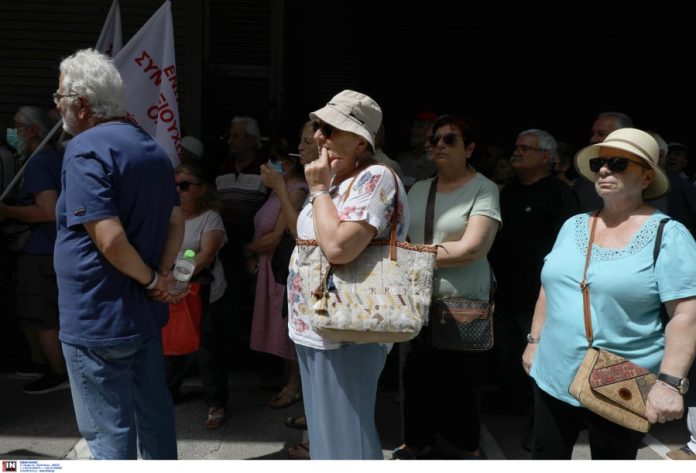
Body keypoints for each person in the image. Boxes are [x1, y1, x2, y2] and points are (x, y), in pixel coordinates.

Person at [523, 128, 696, 459]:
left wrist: (670, 383)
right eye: (601, 163)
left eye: (619, 163)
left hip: (621, 379)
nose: (604, 170)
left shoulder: (669, 236)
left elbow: (686, 314)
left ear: (647, 177)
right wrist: (534, 341)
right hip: (553, 371)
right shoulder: (573, 225)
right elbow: (551, 286)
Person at [53, 48, 183, 459]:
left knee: (109, 433)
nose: (56, 105)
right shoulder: (152, 147)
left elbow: (109, 239)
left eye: (59, 96)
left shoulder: (85, 149)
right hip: (140, 315)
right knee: (155, 415)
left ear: (82, 104)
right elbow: (177, 220)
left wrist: (150, 278)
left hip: (97, 316)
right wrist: (161, 275)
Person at [287, 89, 409, 459]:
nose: (320, 136)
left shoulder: (374, 178)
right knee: (326, 438)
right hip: (316, 324)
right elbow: (308, 237)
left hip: (349, 329)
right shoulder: (337, 179)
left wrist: (320, 189)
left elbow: (340, 248)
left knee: (346, 441)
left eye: (330, 129)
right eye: (319, 127)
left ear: (360, 141)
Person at [395, 115, 501, 459]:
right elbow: (402, 240)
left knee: (460, 384)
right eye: (434, 139)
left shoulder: (484, 188)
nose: (438, 145)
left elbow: (473, 248)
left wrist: (416, 256)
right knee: (415, 378)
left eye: (449, 139)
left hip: (462, 301)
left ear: (469, 148)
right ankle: (416, 439)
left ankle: (463, 449)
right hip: (417, 300)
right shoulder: (418, 188)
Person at [260, 120, 318, 459]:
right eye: (302, 140)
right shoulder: (317, 185)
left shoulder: (317, 187)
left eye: (308, 141)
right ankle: (314, 432)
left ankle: (319, 443)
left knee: (324, 375)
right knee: (309, 366)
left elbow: (301, 235)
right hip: (305, 289)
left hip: (324, 296)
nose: (302, 147)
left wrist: (280, 186)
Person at [0, 106, 65, 394]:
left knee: (42, 317)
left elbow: (47, 211)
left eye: (16, 125)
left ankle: (56, 372)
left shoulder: (39, 163)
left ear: (32, 130)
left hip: (39, 251)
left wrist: (7, 211)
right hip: (49, 250)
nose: (12, 131)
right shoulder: (51, 158)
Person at [165, 162, 228, 431]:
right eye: (175, 185)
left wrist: (177, 280)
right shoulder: (166, 214)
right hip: (171, 290)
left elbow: (205, 255)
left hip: (201, 291)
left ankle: (216, 403)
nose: (179, 190)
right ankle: (170, 393)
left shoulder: (210, 217)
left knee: (207, 349)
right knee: (170, 345)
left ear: (201, 190)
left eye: (185, 185)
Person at [247, 140, 307, 409]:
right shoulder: (273, 192)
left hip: (280, 267)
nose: (267, 167)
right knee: (278, 326)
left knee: (288, 326)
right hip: (268, 267)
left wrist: (248, 249)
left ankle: (294, 384)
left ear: (289, 163)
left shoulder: (294, 190)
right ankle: (287, 380)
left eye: (275, 161)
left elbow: (276, 238)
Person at [573, 112, 633, 211]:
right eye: (593, 134)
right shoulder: (582, 182)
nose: (593, 139)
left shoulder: (639, 174)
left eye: (601, 134)